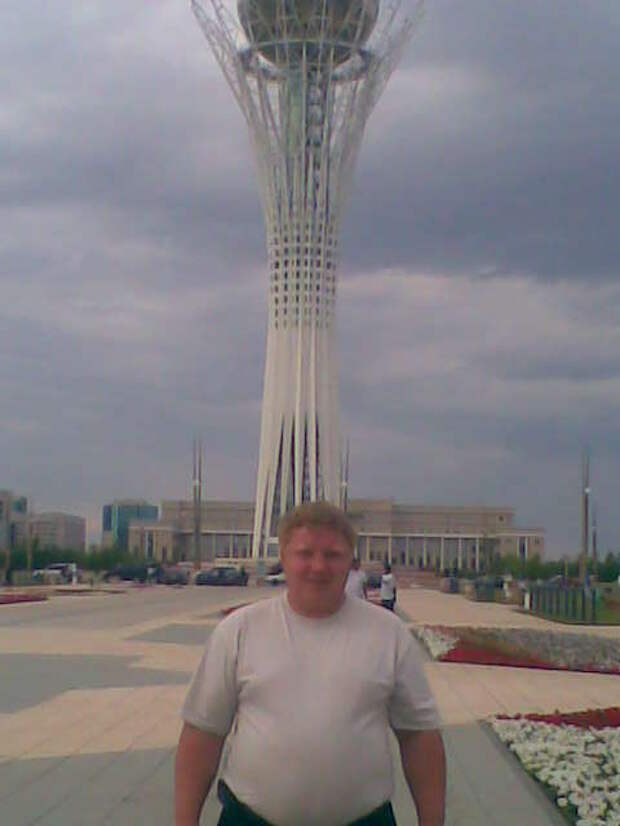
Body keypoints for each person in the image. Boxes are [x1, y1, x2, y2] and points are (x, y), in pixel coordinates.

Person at [175, 502, 446, 826]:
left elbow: (419, 737)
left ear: (350, 561)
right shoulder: (239, 631)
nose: (318, 567)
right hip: (251, 819)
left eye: (332, 555)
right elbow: (203, 734)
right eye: (305, 554)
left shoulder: (388, 634)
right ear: (284, 558)